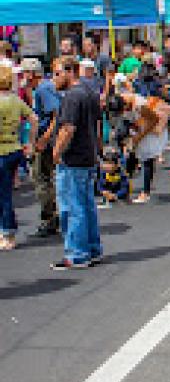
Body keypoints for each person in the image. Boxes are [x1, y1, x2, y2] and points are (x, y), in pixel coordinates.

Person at [50, 57, 104, 269]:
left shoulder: (72, 96)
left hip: (73, 158)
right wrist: (98, 150)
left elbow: (68, 128)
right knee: (86, 205)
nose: (54, 78)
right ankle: (92, 248)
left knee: (72, 207)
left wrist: (56, 151)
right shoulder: (89, 92)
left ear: (69, 72)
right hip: (87, 156)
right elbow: (98, 124)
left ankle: (77, 253)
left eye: (56, 73)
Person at [0, 65, 35, 250]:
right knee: (6, 194)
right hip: (14, 148)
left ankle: (7, 232)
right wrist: (29, 141)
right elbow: (33, 118)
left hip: (2, 151)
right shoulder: (15, 100)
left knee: (3, 195)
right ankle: (6, 230)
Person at [26, 59, 61, 238]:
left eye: (25, 73)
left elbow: (56, 113)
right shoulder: (42, 88)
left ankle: (50, 218)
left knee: (41, 178)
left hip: (46, 140)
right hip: (46, 138)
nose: (24, 77)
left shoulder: (43, 89)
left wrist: (45, 138)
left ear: (32, 73)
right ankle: (52, 216)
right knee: (43, 177)